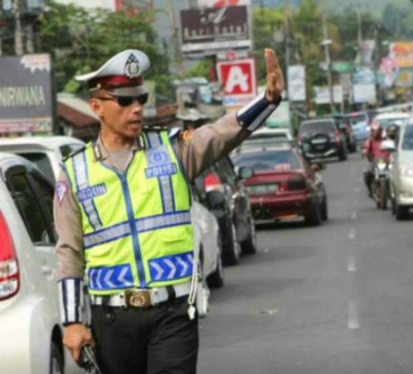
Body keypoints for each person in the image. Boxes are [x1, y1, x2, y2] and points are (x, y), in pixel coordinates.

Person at [55, 48, 284, 374]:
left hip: (172, 314)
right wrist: (72, 322)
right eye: (124, 102)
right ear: (96, 107)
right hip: (111, 320)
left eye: (141, 99)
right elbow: (69, 253)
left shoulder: (174, 149)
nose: (136, 109)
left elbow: (221, 133)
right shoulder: (74, 173)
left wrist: (267, 101)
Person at [362, 122, 390, 194]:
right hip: (375, 162)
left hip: (385, 161)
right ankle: (370, 189)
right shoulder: (370, 141)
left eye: (378, 130)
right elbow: (365, 148)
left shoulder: (385, 139)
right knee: (367, 173)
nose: (376, 133)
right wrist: (365, 152)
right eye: (374, 131)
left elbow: (391, 147)